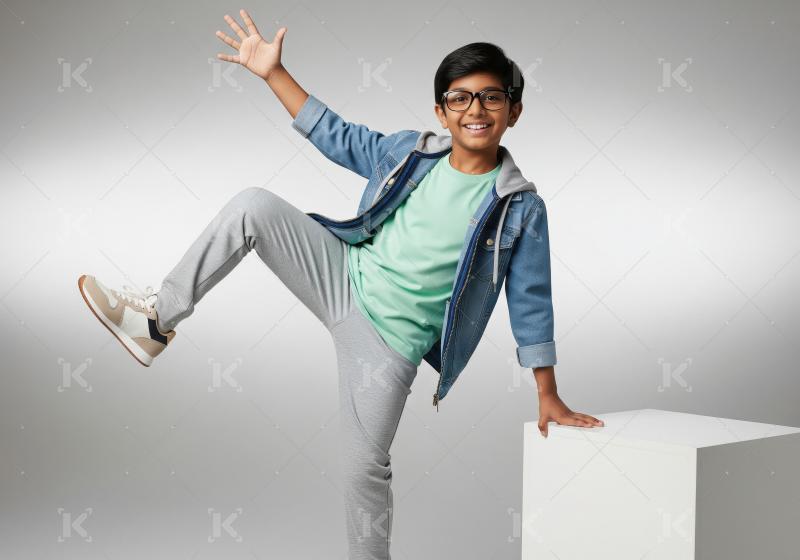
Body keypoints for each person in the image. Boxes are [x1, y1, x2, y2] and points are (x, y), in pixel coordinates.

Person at [77, 9, 603, 559]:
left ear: (513, 111)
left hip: (389, 346)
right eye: (460, 98)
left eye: (491, 97)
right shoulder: (411, 152)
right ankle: (155, 320)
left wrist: (548, 395)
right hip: (341, 276)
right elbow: (338, 137)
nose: (475, 109)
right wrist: (272, 72)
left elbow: (531, 300)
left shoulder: (520, 207)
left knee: (363, 472)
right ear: (441, 112)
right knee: (253, 206)